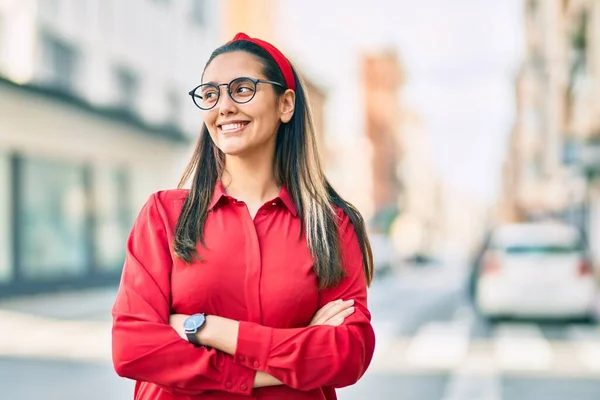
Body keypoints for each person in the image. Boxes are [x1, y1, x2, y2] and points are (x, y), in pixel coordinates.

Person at [111, 32, 376, 400]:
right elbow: (133, 348)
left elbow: (347, 353)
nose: (224, 106)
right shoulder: (164, 216)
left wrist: (207, 329)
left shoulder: (332, 225)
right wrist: (286, 361)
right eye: (210, 94)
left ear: (285, 105)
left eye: (242, 90)